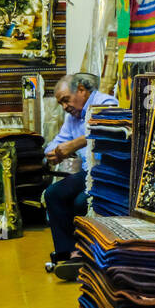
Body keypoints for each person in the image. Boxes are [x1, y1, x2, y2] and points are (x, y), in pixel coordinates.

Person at [43, 73, 118, 280]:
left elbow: (106, 130)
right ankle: (69, 254)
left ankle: (83, 253)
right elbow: (54, 144)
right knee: (53, 194)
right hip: (89, 173)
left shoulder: (106, 103)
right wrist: (54, 153)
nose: (65, 106)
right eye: (60, 103)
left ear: (82, 91)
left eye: (66, 100)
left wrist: (74, 144)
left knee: (80, 201)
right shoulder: (72, 118)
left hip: (109, 172)